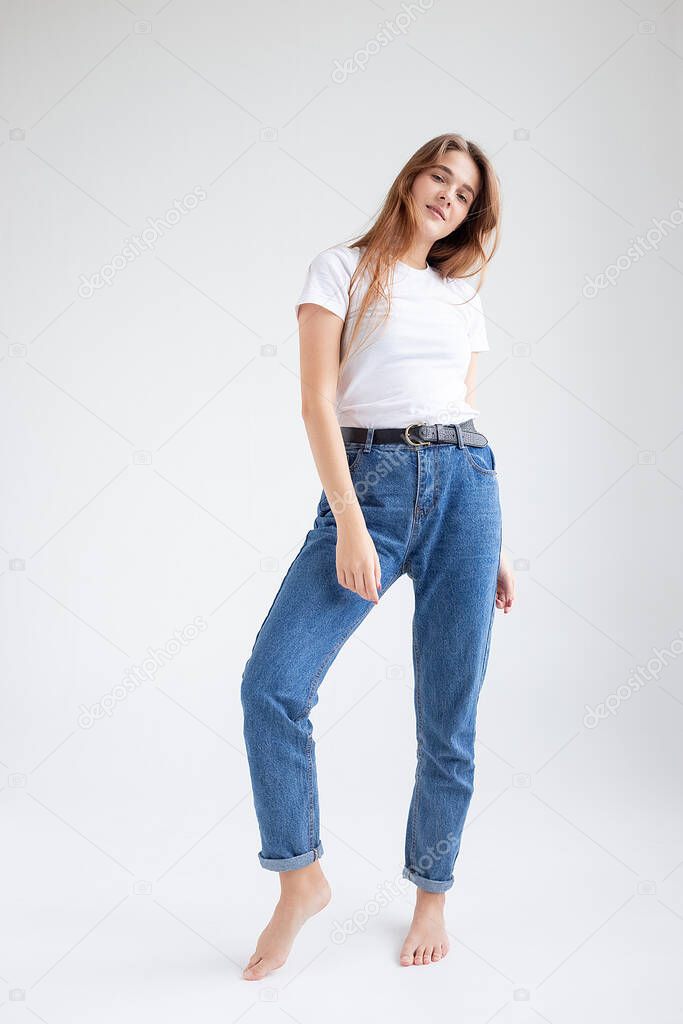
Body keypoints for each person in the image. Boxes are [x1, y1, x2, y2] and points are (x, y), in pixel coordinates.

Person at [240, 133, 516, 979]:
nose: (448, 196)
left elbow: (462, 410)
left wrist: (498, 543)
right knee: (273, 685)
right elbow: (317, 403)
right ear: (410, 178)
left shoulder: (459, 294)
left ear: (470, 214)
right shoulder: (339, 270)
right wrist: (352, 523)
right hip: (371, 484)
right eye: (440, 176)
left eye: (465, 193)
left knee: (448, 712)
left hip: (467, 490)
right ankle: (299, 877)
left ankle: (431, 893)